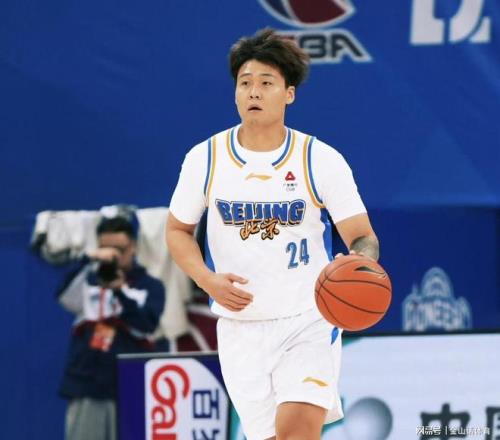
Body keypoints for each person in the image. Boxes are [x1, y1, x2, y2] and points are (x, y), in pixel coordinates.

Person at [166, 28, 379, 440]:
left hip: (307, 320)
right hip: (239, 327)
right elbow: (177, 230)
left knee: (297, 433)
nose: (254, 92)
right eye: (245, 83)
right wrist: (205, 279)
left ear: (289, 94)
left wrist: (359, 263)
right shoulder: (205, 159)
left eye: (266, 83)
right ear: (235, 93)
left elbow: (363, 237)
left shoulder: (319, 159)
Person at [57, 216, 165, 440]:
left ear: (133, 247)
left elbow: (146, 323)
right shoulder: (88, 280)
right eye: (106, 249)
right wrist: (88, 258)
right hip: (88, 385)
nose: (113, 255)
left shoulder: (150, 286)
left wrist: (120, 290)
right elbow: (63, 294)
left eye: (119, 250)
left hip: (133, 386)